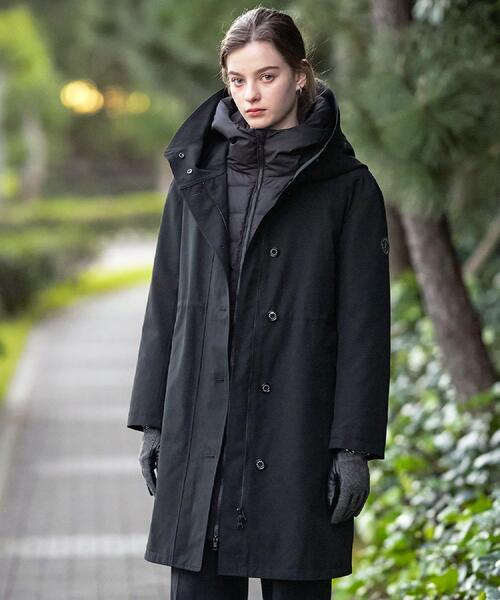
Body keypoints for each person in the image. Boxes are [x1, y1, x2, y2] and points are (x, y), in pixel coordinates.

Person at [128, 6, 391, 600]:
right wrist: (152, 422)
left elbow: (365, 329)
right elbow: (166, 304)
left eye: (267, 76)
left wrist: (353, 447)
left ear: (300, 75)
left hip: (298, 433)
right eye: (237, 79)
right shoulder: (194, 178)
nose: (250, 94)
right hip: (202, 430)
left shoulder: (348, 189)